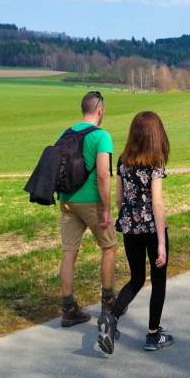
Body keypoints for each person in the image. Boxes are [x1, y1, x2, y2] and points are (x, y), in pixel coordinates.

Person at [98, 111, 172, 354]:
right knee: (158, 279)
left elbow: (119, 199)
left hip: (130, 226)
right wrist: (161, 242)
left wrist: (130, 219)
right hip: (152, 227)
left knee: (137, 278)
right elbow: (158, 203)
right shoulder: (155, 162)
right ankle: (153, 335)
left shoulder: (122, 160)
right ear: (155, 134)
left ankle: (112, 317)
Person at [58, 91, 116, 327]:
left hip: (67, 199)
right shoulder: (102, 136)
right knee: (109, 246)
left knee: (69, 252)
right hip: (91, 200)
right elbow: (103, 174)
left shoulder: (65, 133)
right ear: (100, 110)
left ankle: (68, 308)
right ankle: (108, 302)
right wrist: (107, 209)